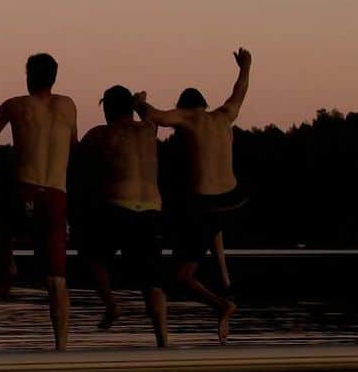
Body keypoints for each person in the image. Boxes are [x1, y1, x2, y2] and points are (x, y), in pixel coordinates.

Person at [134, 47, 252, 343]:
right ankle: (224, 275)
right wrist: (245, 66)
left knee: (182, 277)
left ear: (186, 107)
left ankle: (223, 304)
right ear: (204, 104)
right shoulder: (225, 116)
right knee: (209, 218)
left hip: (206, 204)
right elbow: (239, 91)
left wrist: (139, 103)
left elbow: (155, 117)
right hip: (235, 199)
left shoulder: (188, 118)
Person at [0, 53, 78, 351]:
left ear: (28, 75)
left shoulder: (15, 105)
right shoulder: (68, 105)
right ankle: (61, 346)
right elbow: (74, 146)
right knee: (56, 279)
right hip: (56, 195)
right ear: (54, 76)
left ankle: (8, 262)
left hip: (24, 191)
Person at [78, 86, 168, 348]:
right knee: (152, 282)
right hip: (152, 210)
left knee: (90, 257)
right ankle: (162, 339)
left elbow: (75, 162)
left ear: (107, 109)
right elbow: (147, 114)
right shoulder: (149, 130)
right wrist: (140, 102)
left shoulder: (100, 134)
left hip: (118, 207)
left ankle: (111, 305)